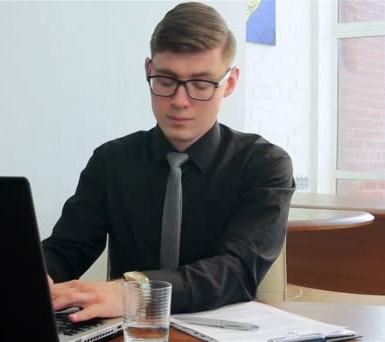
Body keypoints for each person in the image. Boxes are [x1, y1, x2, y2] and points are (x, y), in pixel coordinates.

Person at [42, 2, 294, 323]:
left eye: (201, 85)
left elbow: (238, 269)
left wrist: (134, 291)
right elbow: (68, 248)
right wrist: (32, 275)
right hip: (131, 331)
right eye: (165, 80)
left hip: (225, 330)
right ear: (149, 70)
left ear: (229, 83)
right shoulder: (111, 160)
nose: (179, 100)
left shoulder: (265, 164)